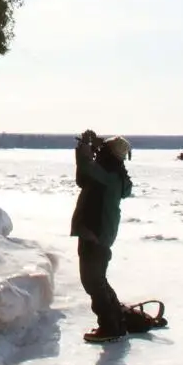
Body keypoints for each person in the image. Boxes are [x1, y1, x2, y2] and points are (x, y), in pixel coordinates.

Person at [71, 130, 133, 343]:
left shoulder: (107, 175)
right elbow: (83, 178)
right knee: (97, 279)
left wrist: (85, 148)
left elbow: (87, 168)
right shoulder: (115, 174)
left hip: (95, 233)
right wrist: (94, 149)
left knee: (92, 280)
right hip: (100, 233)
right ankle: (116, 320)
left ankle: (110, 326)